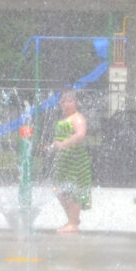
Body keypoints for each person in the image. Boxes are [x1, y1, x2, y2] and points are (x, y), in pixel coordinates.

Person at [47, 90, 92, 234]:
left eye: (69, 101)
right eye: (63, 101)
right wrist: (53, 145)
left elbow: (80, 135)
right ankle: (73, 219)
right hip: (63, 160)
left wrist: (63, 144)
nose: (66, 104)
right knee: (58, 188)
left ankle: (73, 223)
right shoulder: (63, 118)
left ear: (76, 103)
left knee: (73, 189)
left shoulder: (77, 118)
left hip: (75, 159)